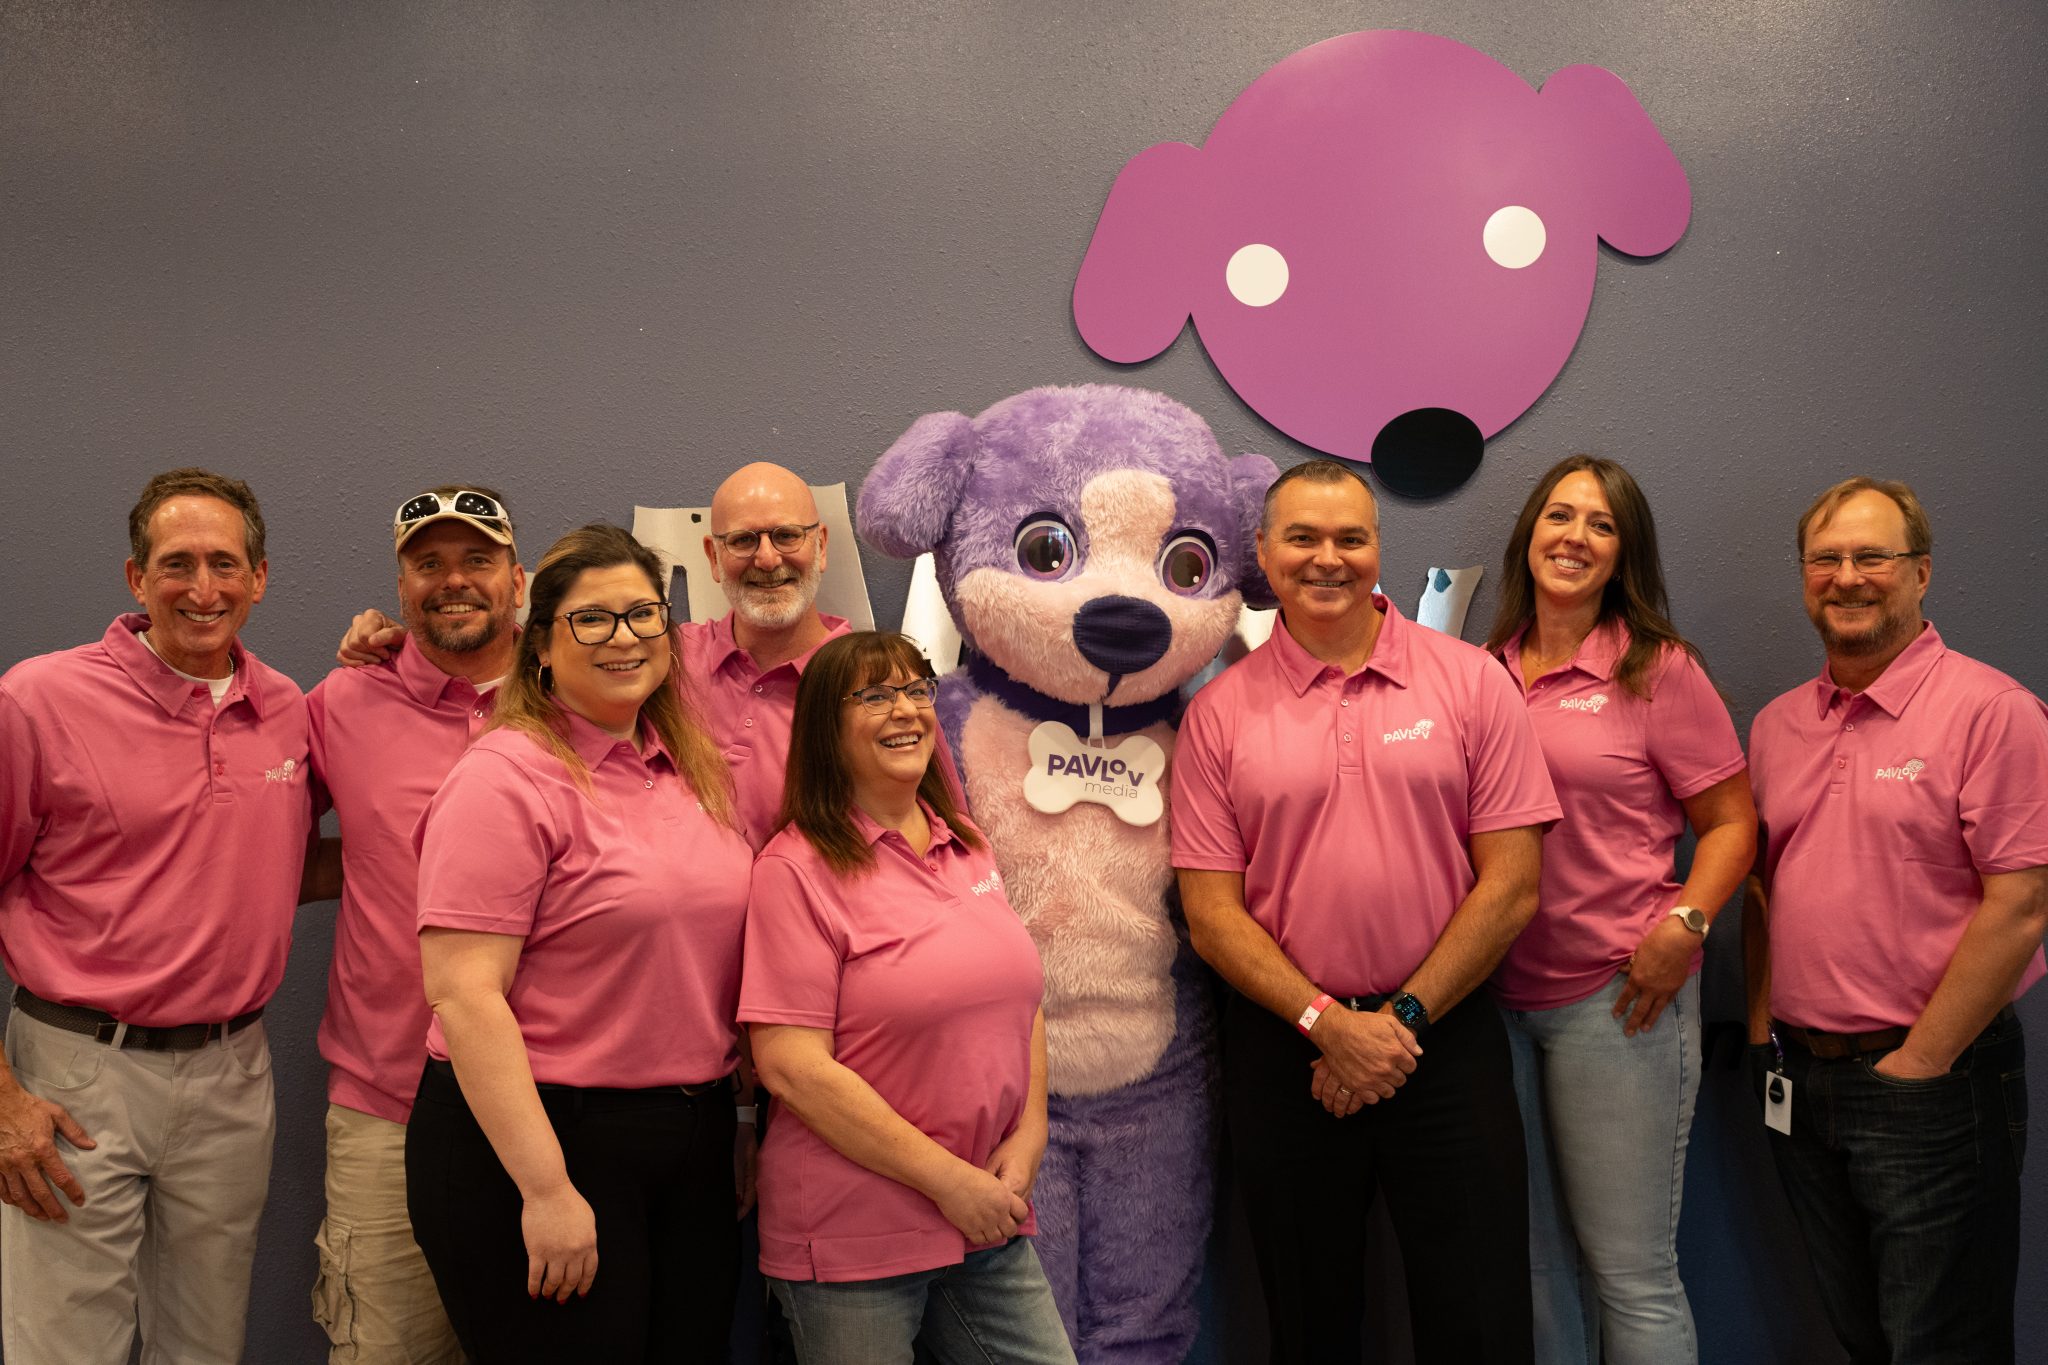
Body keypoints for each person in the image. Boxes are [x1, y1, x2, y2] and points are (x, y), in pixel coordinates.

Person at [1171, 458, 1561, 1365]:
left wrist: (1397, 1023)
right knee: (1309, 1327)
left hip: (1444, 1040)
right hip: (1287, 1050)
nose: (1328, 558)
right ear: (1263, 551)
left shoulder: (1471, 682)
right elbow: (1211, 914)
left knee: (1481, 1324)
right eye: (1303, 537)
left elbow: (1512, 885)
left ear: (1379, 547)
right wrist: (1328, 1025)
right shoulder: (1220, 714)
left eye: (1350, 537)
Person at [404, 523, 755, 1362]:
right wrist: (546, 1187)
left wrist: (736, 1116)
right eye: (592, 619)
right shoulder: (505, 777)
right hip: (545, 1141)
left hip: (691, 1136)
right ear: (540, 645)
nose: (623, 636)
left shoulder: (689, 767)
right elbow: (464, 994)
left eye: (643, 613)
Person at [0, 468, 319, 1365]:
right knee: (63, 1348)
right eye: (177, 563)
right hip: (76, 1074)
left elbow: (288, 857)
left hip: (232, 1070)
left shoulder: (287, 709)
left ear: (260, 578)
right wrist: (2, 1100)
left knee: (206, 1345)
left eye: (225, 563)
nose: (202, 588)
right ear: (137, 578)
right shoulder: (38, 700)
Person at [1745, 477, 2048, 1365]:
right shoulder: (1776, 726)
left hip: (1933, 1083)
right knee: (1863, 1339)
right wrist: (1763, 1033)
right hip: (1803, 1079)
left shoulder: (1992, 711)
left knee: (1941, 1345)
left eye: (1872, 556)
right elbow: (1763, 887)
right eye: (1827, 559)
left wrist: (1920, 1064)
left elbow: (2023, 903)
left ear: (1921, 573)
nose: (1847, 577)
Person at [1481, 456, 1755, 1365]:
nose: (1575, 537)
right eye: (1560, 515)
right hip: (1493, 1003)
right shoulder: (1480, 673)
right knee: (1534, 1269)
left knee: (1632, 1274)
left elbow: (1732, 822)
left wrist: (1686, 924)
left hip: (1618, 1001)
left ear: (1623, 552)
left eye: (1601, 524)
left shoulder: (1657, 669)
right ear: (1529, 533)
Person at [742, 631, 1075, 1365]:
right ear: (826, 728)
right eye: (874, 695)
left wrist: (1030, 1134)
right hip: (856, 1236)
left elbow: (1018, 1000)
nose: (905, 710)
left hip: (985, 1217)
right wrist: (949, 1182)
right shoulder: (794, 868)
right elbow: (792, 1066)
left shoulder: (966, 841)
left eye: (915, 689)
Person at [338, 461, 851, 846]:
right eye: (742, 540)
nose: (767, 558)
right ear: (713, 557)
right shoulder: (665, 658)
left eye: (787, 536)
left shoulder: (868, 682)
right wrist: (401, 642)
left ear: (822, 545)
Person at [305, 485, 527, 1362]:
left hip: (559, 1105)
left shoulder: (576, 697)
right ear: (400, 589)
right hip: (387, 1108)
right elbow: (253, 845)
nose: (452, 579)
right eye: (428, 563)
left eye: (476, 559)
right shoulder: (342, 703)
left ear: (519, 578)